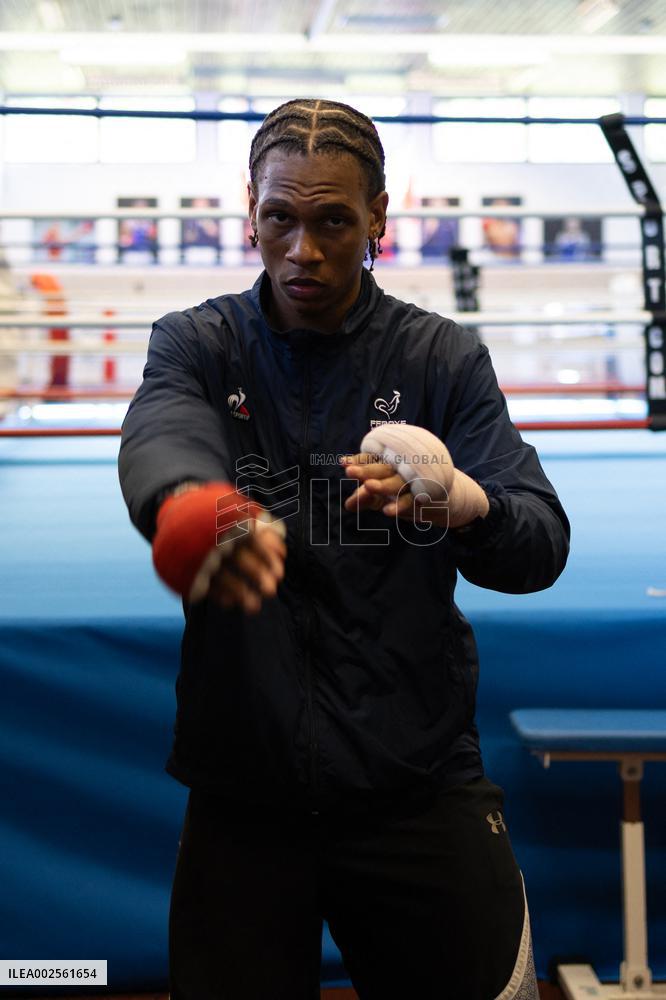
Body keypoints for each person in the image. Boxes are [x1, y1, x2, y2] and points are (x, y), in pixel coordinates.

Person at [118, 98, 570, 1000]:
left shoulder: (441, 359)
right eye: (280, 219)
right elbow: (163, 435)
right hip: (244, 789)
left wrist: (466, 505)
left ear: (377, 220)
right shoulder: (199, 343)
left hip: (416, 780)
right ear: (250, 210)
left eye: (332, 221)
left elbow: (539, 540)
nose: (302, 251)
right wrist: (196, 510)